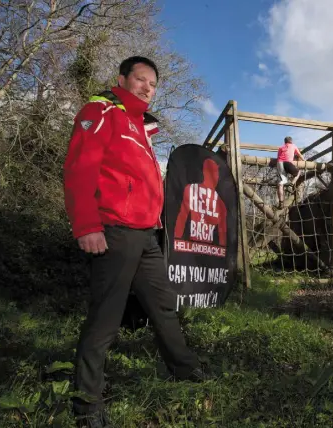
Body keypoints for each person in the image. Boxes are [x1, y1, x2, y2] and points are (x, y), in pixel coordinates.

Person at [63, 56, 209, 428]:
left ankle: (185, 370)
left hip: (145, 236)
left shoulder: (140, 127)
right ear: (122, 79)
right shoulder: (103, 110)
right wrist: (86, 226)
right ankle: (87, 406)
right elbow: (80, 167)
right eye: (140, 79)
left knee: (163, 306)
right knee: (105, 318)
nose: (147, 87)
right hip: (113, 230)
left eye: (153, 84)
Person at [275, 136, 305, 208]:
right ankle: (291, 184)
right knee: (298, 172)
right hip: (288, 163)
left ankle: (281, 203)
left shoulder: (281, 148)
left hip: (279, 163)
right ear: (291, 141)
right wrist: (304, 161)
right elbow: (299, 154)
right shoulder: (293, 146)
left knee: (280, 184)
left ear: (285, 142)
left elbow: (278, 157)